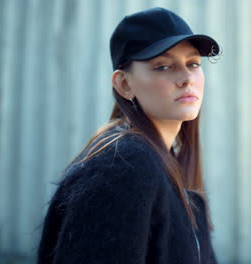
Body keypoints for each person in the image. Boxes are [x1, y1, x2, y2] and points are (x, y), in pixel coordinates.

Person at [37, 7, 221, 264]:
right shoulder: (123, 165)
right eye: (164, 66)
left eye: (193, 64)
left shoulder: (172, 167)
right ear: (124, 84)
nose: (187, 78)